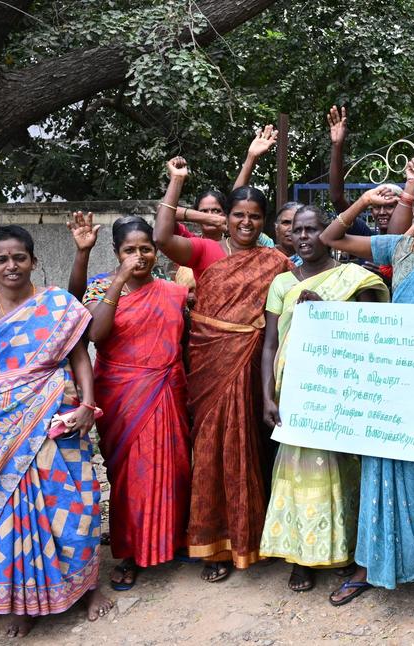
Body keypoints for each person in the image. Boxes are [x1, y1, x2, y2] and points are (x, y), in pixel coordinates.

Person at [320, 174, 414, 622]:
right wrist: (365, 198)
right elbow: (333, 238)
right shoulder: (398, 246)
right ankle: (370, 565)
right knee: (377, 476)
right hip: (387, 380)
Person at [0, 224, 113, 637]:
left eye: (19, 257)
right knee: (10, 514)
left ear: (33, 261)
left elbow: (80, 358)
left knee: (76, 504)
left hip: (58, 420)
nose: (10, 266)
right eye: (0, 259)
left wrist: (88, 405)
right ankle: (23, 601)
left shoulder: (56, 303)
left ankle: (88, 587)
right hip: (0, 427)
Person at [154, 156, 292, 583]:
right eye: (238, 216)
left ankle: (253, 537)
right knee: (212, 449)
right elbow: (161, 235)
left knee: (254, 448)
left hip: (256, 369)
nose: (246, 224)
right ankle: (212, 542)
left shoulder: (276, 260)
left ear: (263, 221)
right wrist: (177, 181)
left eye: (254, 217)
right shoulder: (207, 250)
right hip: (212, 365)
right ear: (226, 219)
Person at [257, 204, 389, 592]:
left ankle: (344, 552)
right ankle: (301, 557)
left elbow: (370, 332)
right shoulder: (282, 283)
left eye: (313, 229)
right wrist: (268, 396)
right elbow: (270, 345)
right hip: (297, 394)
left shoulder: (352, 278)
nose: (303, 237)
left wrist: (327, 310)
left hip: (339, 394)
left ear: (326, 232)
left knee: (344, 472)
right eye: (297, 230)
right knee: (299, 475)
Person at [74, 215, 191, 592]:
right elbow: (95, 333)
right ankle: (129, 551)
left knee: (174, 470)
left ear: (156, 251)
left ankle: (170, 540)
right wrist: (119, 280)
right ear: (116, 252)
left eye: (145, 249)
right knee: (128, 480)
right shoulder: (100, 288)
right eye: (130, 250)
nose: (138, 256)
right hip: (122, 396)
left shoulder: (174, 292)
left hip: (167, 391)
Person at [326, 105, 401, 234]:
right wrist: (337, 146)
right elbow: (336, 198)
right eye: (377, 207)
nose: (382, 213)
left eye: (389, 206)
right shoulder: (367, 240)